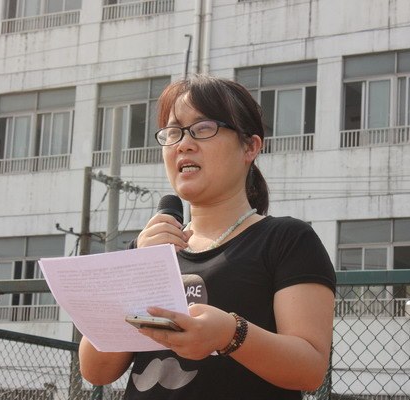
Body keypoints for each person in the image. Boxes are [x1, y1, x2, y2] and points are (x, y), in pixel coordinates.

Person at [79, 74, 336, 399]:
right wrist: (136, 271)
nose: (183, 144)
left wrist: (230, 334)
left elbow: (310, 369)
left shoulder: (287, 240)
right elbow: (96, 370)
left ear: (250, 146)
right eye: (173, 132)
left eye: (203, 128)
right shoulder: (147, 249)